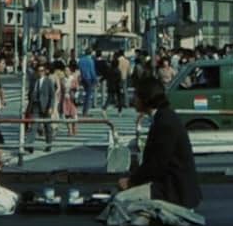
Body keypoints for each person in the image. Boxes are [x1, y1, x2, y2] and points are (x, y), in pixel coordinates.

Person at [117, 77, 200, 209]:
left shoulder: (164, 123)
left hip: (174, 191)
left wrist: (131, 181)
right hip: (172, 186)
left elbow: (156, 164)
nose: (134, 100)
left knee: (120, 202)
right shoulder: (164, 116)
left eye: (137, 96)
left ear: (146, 98)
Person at [26, 63, 55, 152]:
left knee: (47, 127)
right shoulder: (34, 81)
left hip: (45, 106)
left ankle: (48, 144)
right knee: (33, 126)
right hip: (35, 106)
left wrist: (51, 107)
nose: (40, 73)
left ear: (45, 71)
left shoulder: (48, 81)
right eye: (38, 71)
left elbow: (52, 96)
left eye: (42, 71)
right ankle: (29, 145)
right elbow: (30, 93)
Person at [77, 49, 97, 116]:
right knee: (88, 95)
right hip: (89, 78)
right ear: (90, 53)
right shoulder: (90, 61)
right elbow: (92, 71)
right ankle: (85, 111)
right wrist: (95, 79)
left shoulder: (80, 60)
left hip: (82, 78)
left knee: (84, 94)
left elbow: (79, 69)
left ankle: (80, 109)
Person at [61, 62, 79, 136]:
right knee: (67, 115)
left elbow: (77, 88)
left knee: (74, 115)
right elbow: (61, 90)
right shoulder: (62, 80)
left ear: (70, 71)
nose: (66, 72)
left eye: (68, 70)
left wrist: (74, 92)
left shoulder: (73, 79)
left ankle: (74, 128)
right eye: (65, 71)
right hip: (65, 99)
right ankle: (69, 130)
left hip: (72, 99)